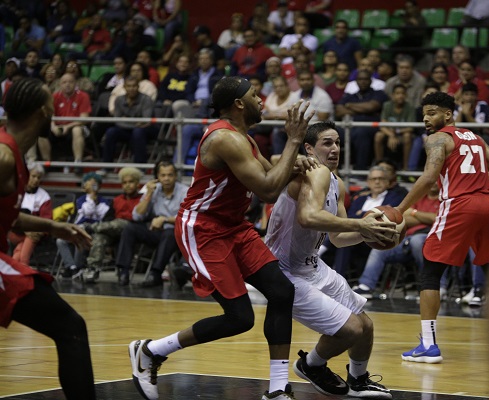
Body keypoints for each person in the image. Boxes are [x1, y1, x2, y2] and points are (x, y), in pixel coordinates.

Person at [128, 76, 316, 400]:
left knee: (281, 291)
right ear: (240, 103)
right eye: (256, 94)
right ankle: (151, 351)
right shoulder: (225, 139)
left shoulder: (244, 137)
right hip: (202, 229)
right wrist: (293, 142)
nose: (262, 99)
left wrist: (293, 163)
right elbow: (269, 188)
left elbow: (272, 172)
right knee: (240, 317)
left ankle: (278, 388)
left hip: (232, 225)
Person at [265, 121, 394, 399]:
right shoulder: (311, 172)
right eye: (327, 143)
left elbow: (337, 237)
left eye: (337, 142)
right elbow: (308, 217)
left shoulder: (338, 183)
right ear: (309, 148)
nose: (335, 148)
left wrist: (371, 232)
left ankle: (358, 380)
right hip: (282, 270)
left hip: (312, 265)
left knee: (366, 326)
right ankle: (311, 365)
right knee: (351, 329)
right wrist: (360, 225)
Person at [395, 91, 489, 363]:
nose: (426, 118)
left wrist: (399, 210)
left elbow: (429, 177)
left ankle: (428, 345)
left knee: (431, 271)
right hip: (488, 204)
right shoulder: (477, 138)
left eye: (432, 112)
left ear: (448, 115)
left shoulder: (437, 139)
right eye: (423, 113)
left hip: (460, 204)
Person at [0, 78, 95, 399]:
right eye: (53, 106)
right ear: (43, 111)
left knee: (69, 327)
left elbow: (7, 213)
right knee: (70, 328)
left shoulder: (14, 154)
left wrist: (55, 227)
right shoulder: (3, 156)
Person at [353, 183, 440, 298]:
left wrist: (414, 213)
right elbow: (402, 220)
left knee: (417, 241)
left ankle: (429, 287)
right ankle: (366, 286)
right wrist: (426, 218)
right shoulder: (418, 197)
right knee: (381, 245)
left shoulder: (444, 199)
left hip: (431, 240)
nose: (433, 183)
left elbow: (438, 219)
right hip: (406, 239)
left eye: (437, 180)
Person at [116, 159, 186, 287]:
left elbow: (188, 218)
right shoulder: (153, 190)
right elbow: (136, 216)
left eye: (170, 175)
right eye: (163, 175)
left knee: (170, 233)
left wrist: (164, 219)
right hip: (155, 231)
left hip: (176, 235)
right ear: (157, 177)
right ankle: (123, 271)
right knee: (130, 228)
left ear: (175, 176)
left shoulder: (184, 192)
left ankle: (155, 274)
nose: (166, 179)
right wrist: (148, 194)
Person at [83, 167, 143, 283]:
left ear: (137, 184)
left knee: (122, 223)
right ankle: (93, 268)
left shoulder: (143, 200)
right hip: (114, 230)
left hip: (133, 230)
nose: (127, 185)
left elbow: (140, 218)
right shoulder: (117, 200)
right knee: (100, 236)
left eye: (131, 182)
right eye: (124, 183)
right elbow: (108, 219)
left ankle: (89, 227)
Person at [58, 172, 111, 279]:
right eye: (87, 183)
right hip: (79, 227)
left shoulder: (105, 202)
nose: (88, 186)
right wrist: (91, 197)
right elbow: (88, 211)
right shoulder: (81, 200)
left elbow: (101, 214)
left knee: (80, 237)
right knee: (60, 240)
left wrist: (94, 197)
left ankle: (79, 266)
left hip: (94, 230)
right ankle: (72, 267)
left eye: (93, 184)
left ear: (98, 187)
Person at [38, 73, 92, 166]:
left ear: (75, 84)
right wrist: (53, 126)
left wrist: (68, 126)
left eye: (70, 82)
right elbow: (50, 115)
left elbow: (84, 118)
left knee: (77, 130)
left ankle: (78, 162)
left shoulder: (83, 96)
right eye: (64, 82)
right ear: (60, 84)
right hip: (58, 127)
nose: (67, 84)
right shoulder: (54, 96)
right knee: (42, 131)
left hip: (76, 126)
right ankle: (47, 162)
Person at [7, 163, 52, 265]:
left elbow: (47, 221)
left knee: (21, 249)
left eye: (38, 178)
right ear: (27, 175)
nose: (36, 180)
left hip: (34, 234)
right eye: (33, 176)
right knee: (29, 238)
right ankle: (23, 267)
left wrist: (32, 230)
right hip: (15, 232)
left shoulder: (44, 196)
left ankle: (17, 268)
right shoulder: (17, 191)